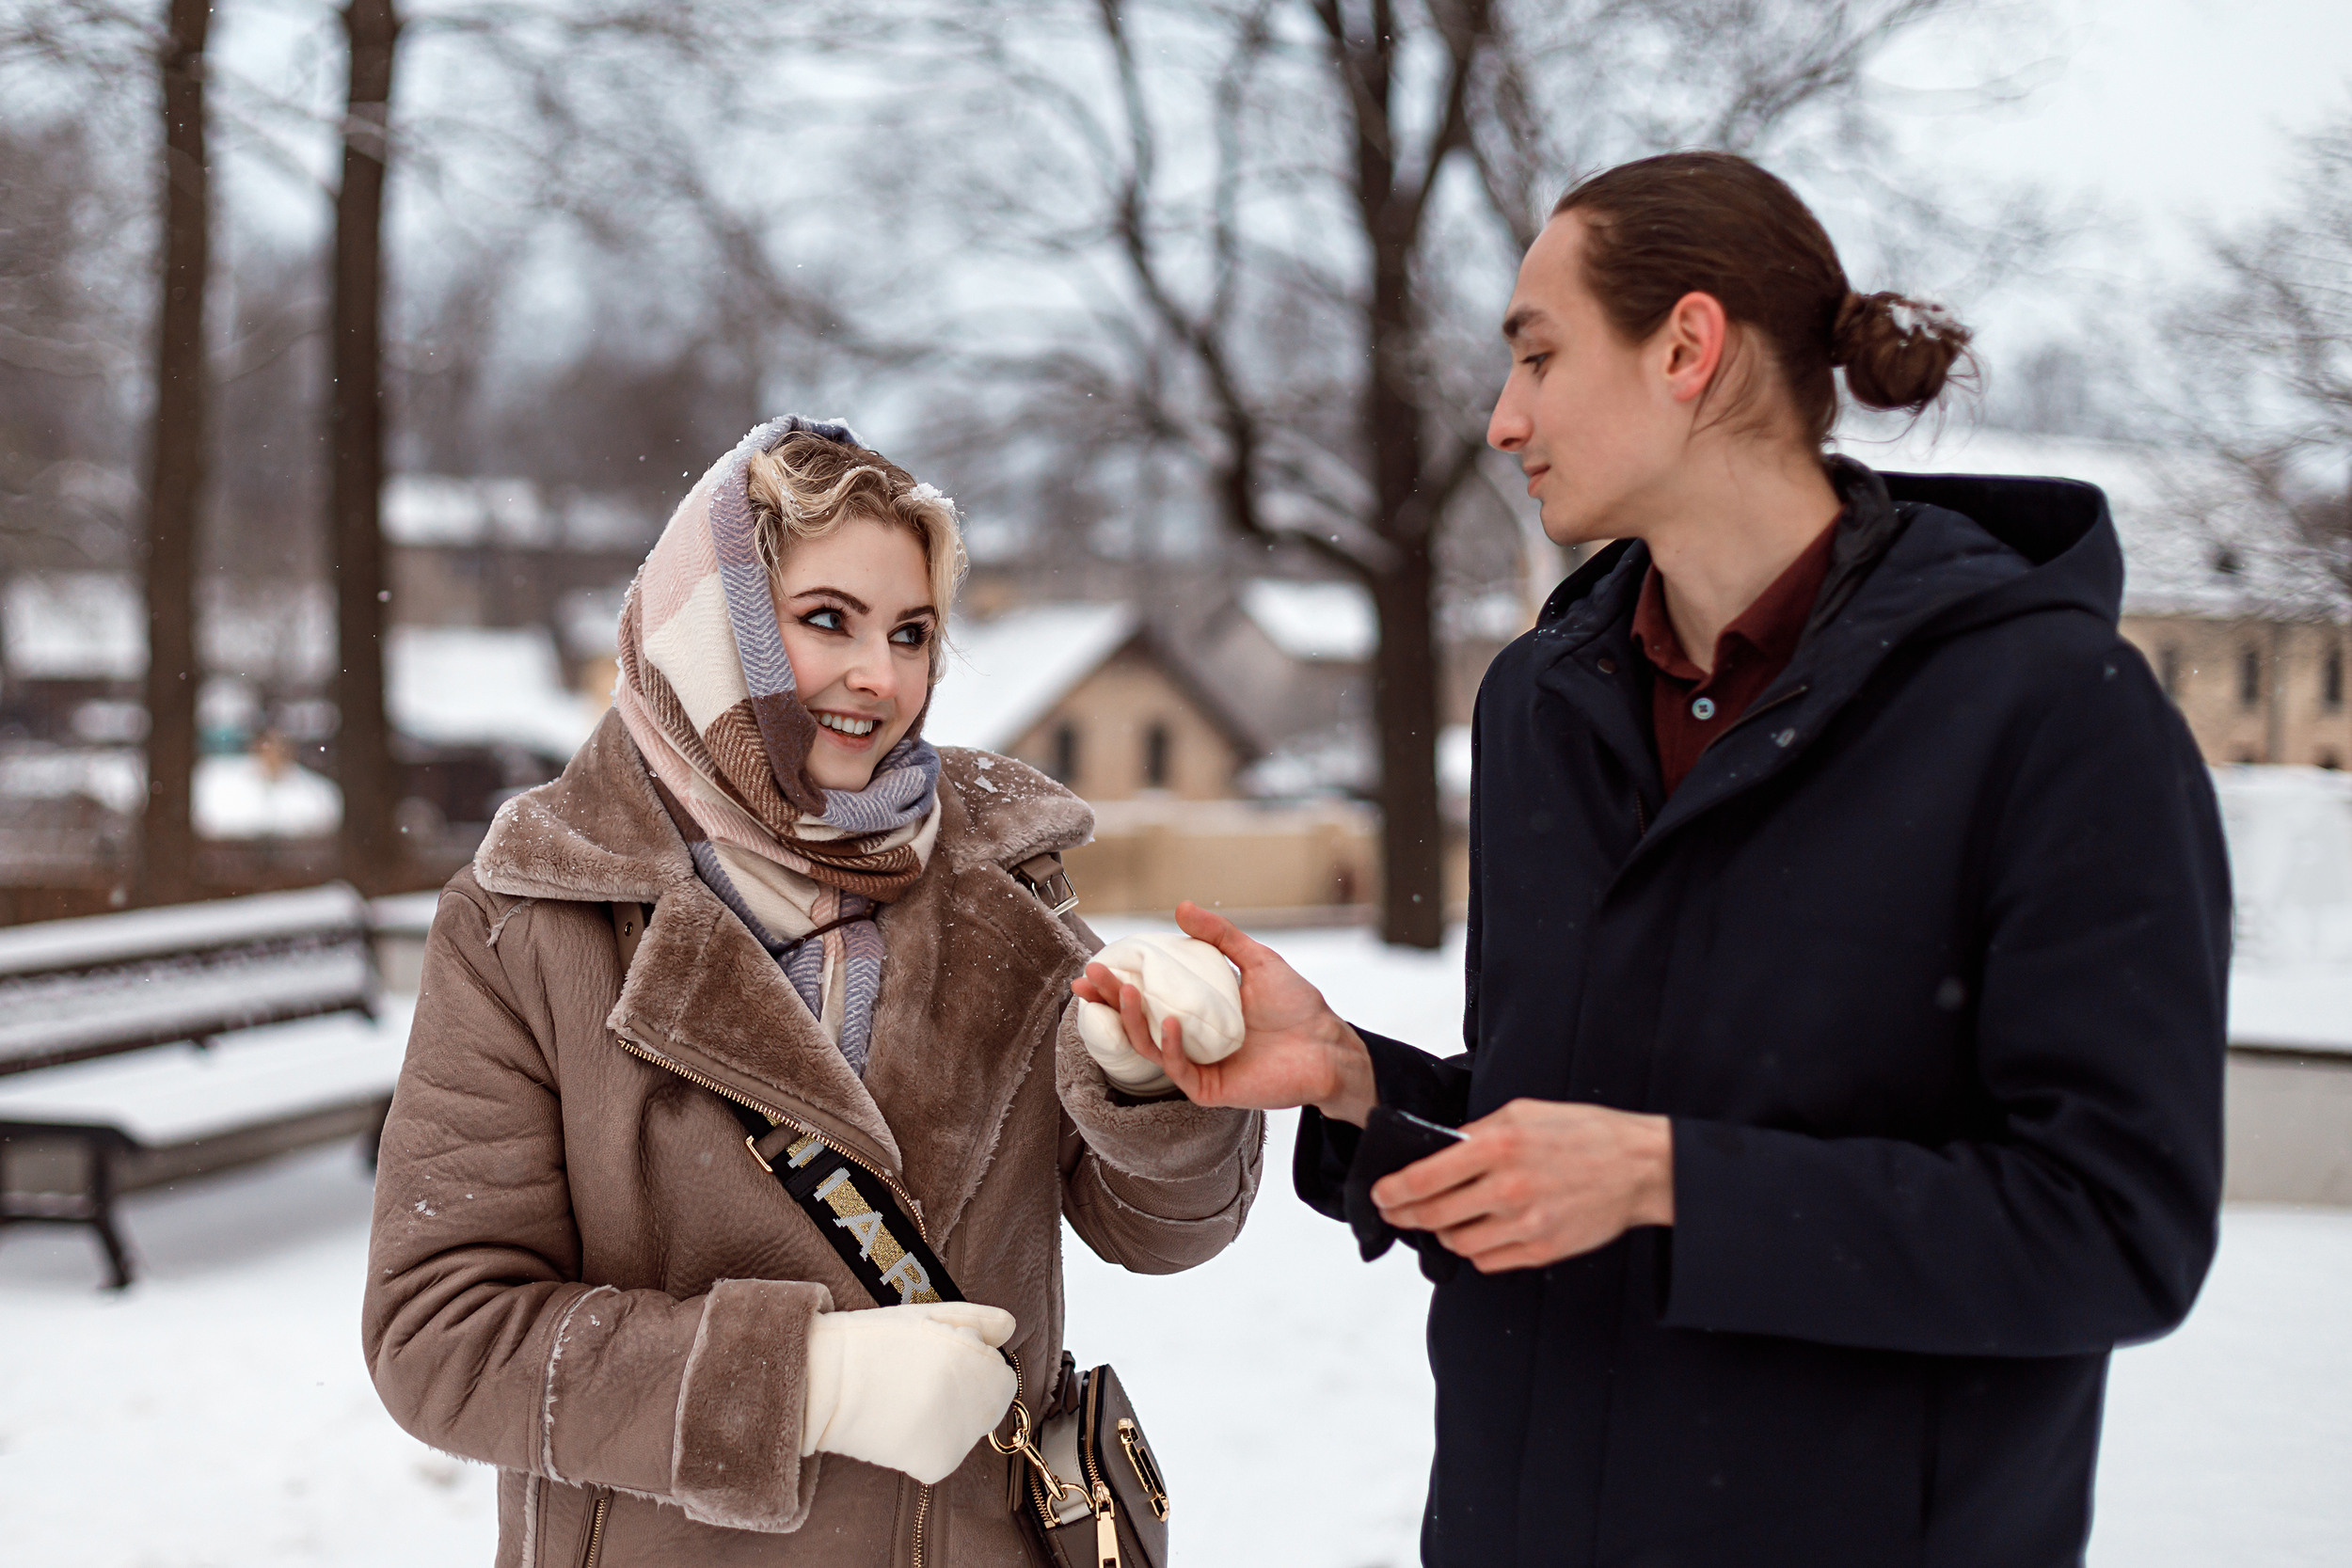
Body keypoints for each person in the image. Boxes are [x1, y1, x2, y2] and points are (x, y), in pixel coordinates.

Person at [1078, 152, 2231, 1567]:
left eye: (1540, 356)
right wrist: (1354, 1078)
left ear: (1687, 346)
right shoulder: (1542, 706)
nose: (1503, 420)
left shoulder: (2054, 715)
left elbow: (2115, 1226)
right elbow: (1557, 1148)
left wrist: (1676, 1179)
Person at [363, 418, 1263, 1566]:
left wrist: (1148, 1086)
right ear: (715, 629)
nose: (879, 677)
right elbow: (440, 1336)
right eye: (824, 619)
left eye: (913, 632)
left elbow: (1164, 1235)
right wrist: (802, 1386)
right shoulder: (530, 920)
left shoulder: (1006, 885)